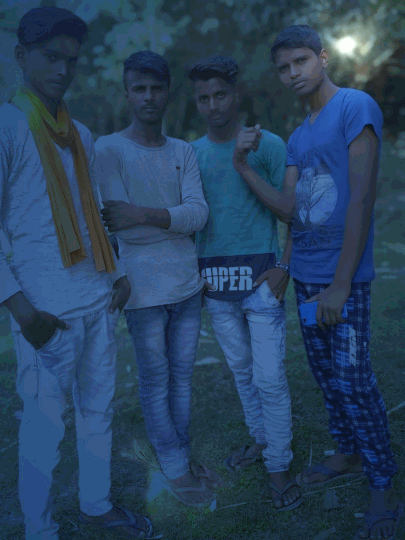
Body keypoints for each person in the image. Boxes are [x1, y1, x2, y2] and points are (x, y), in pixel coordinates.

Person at [238, 24, 401, 540]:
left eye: (301, 61)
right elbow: (291, 209)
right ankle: (348, 453)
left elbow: (362, 198)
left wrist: (341, 283)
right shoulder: (297, 137)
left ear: (323, 58)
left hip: (341, 279)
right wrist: (243, 167)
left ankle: (382, 481)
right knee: (328, 377)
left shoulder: (355, 107)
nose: (293, 73)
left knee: (354, 379)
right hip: (307, 280)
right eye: (284, 68)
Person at [0, 7, 155, 539]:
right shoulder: (7, 127)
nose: (63, 70)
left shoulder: (80, 134)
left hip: (96, 297)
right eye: (50, 57)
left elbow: (94, 217)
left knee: (98, 411)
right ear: (22, 57)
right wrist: (23, 312)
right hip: (46, 313)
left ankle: (96, 503)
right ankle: (39, 530)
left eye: (71, 60)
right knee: (44, 428)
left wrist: (118, 273)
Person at [95, 50, 221, 509]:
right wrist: (170, 219)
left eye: (156, 88)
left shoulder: (182, 151)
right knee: (155, 379)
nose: (148, 97)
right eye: (139, 88)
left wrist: (144, 215)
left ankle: (179, 457)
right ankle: (174, 466)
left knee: (182, 378)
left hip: (186, 285)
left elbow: (199, 214)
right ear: (127, 93)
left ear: (168, 93)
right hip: (142, 289)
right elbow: (115, 223)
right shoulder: (109, 149)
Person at [188, 55, 302, 512]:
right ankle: (263, 439)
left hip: (261, 282)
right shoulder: (190, 155)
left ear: (236, 95)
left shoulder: (268, 144)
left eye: (221, 95)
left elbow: (291, 211)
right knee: (241, 371)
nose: (213, 106)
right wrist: (193, 274)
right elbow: (192, 219)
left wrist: (285, 266)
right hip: (215, 285)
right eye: (203, 98)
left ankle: (279, 464)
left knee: (269, 376)